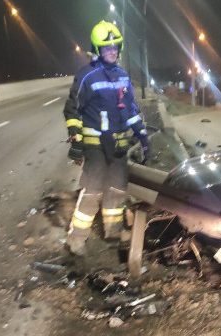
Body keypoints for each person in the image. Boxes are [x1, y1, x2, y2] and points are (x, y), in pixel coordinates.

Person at [63, 20, 150, 256]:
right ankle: (76, 238)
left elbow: (130, 110)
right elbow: (72, 109)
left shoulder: (122, 76)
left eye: (115, 47)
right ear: (97, 50)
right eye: (106, 47)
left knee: (117, 190)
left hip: (120, 147)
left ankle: (113, 231)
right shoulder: (87, 76)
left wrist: (142, 135)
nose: (111, 51)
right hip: (96, 147)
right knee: (92, 191)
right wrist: (76, 140)